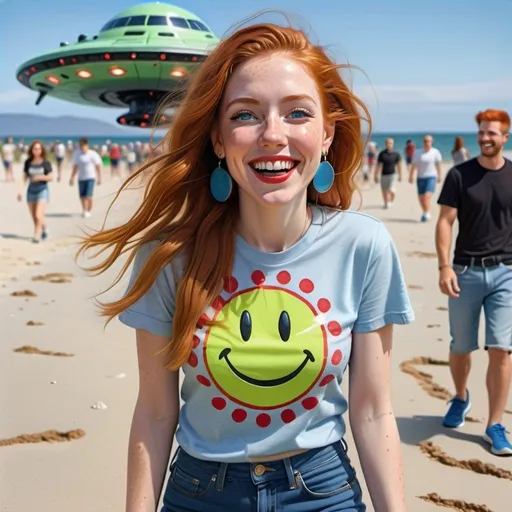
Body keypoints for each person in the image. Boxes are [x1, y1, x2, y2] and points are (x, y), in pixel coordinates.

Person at [78, 22, 414, 511]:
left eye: (297, 113)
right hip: (199, 493)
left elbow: (373, 412)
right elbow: (154, 413)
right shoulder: (169, 255)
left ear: (326, 135)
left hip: (322, 490)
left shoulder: (363, 246)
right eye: (245, 115)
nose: (273, 135)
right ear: (218, 138)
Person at [435, 108, 512, 456]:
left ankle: (495, 423)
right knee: (461, 346)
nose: (485, 138)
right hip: (464, 272)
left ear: (505, 137)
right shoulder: (459, 175)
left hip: (505, 274)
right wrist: (444, 267)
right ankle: (461, 396)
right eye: (481, 132)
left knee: (501, 349)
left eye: (492, 133)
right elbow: (445, 222)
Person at [16, 140, 53, 243]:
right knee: (34, 216)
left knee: (38, 215)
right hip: (30, 192)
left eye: (38, 149)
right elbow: (24, 177)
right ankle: (44, 228)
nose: (36, 150)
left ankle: (36, 235)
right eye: (34, 148)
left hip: (42, 191)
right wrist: (20, 191)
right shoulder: (28, 162)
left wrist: (39, 177)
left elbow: (50, 177)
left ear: (42, 150)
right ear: (31, 150)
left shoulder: (46, 163)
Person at [408, 134, 442, 222]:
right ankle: (425, 212)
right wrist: (411, 176)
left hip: (431, 177)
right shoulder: (418, 153)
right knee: (421, 198)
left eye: (428, 141)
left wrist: (439, 175)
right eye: (425, 141)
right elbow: (414, 165)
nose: (426, 142)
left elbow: (438, 165)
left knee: (426, 196)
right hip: (420, 177)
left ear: (431, 142)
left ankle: (426, 213)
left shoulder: (435, 152)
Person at [70, 137, 102, 218]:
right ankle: (84, 210)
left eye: (83, 146)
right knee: (82, 196)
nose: (82, 148)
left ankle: (88, 210)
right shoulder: (77, 154)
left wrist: (99, 177)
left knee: (88, 196)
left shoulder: (92, 154)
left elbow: (97, 166)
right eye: (80, 146)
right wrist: (72, 177)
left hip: (90, 177)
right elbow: (75, 167)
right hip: (81, 178)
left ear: (87, 145)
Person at [374, 138, 402, 208]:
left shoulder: (396, 154)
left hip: (393, 175)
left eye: (390, 143)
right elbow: (379, 165)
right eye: (387, 143)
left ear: (393, 144)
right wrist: (376, 175)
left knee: (391, 190)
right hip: (383, 175)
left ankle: (391, 199)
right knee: (384, 191)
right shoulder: (382, 154)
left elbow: (399, 165)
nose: (389, 144)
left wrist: (400, 175)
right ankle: (386, 202)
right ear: (385, 144)